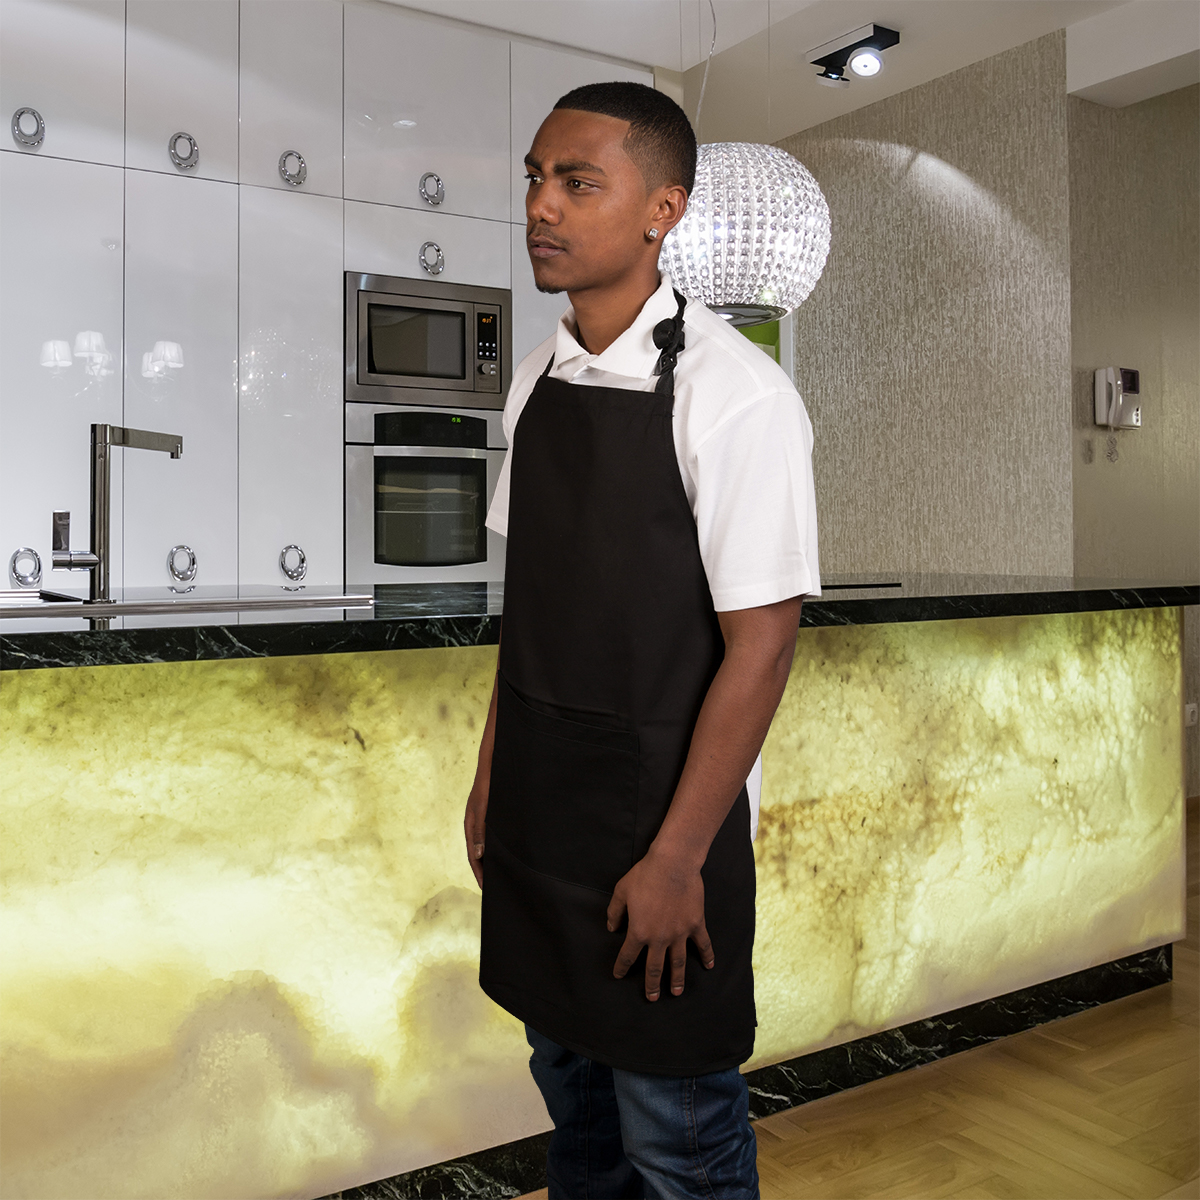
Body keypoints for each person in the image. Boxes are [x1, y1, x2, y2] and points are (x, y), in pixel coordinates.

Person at [463, 81, 819, 1200]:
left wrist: (675, 860)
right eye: (536, 178)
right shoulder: (534, 380)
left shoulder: (738, 395)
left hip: (662, 831)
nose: (541, 206)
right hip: (543, 819)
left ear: (664, 209)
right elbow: (533, 612)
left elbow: (762, 649)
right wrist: (491, 778)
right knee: (577, 1122)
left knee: (680, 1147)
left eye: (578, 183)